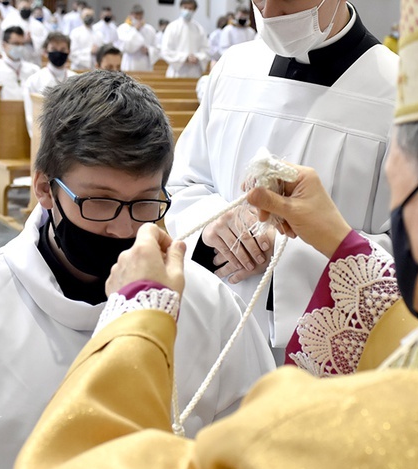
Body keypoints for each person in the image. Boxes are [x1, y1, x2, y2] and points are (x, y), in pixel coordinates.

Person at [10, 0, 418, 469]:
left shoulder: (333, 435)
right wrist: (240, 232)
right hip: (217, 306)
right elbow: (186, 186)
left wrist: (139, 311)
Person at [0, 70, 274, 469]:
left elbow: (254, 448)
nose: (124, 227)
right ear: (45, 188)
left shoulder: (210, 303)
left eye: (145, 202)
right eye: (100, 201)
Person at [166, 0, 397, 365]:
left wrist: (284, 255)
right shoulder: (231, 68)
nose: (270, 12)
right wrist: (211, 224)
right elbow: (183, 184)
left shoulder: (398, 94)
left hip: (321, 369)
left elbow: (409, 252)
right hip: (210, 337)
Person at [22, 31, 74, 137]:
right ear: (45, 51)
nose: (58, 53)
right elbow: (31, 118)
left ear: (69, 51)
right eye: (54, 49)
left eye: (63, 49)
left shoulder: (77, 79)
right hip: (45, 141)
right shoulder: (34, 81)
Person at [0, 25, 38, 103]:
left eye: (22, 44)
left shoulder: (34, 70)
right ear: (4, 45)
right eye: (16, 44)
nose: (20, 47)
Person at [159, 0, 210, 79]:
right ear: (180, 8)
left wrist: (197, 57)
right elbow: (165, 51)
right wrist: (185, 58)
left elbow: (206, 50)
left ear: (194, 10)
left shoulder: (199, 29)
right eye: (185, 8)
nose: (187, 11)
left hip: (194, 72)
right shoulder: (172, 27)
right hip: (177, 72)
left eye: (190, 8)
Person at [2, 0, 46, 66]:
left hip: (32, 62)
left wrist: (31, 40)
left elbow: (43, 42)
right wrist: (21, 40)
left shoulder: (38, 25)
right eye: (24, 8)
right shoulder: (10, 20)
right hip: (13, 61)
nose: (26, 10)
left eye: (28, 8)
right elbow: (4, 38)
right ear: (18, 7)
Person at [116, 4, 156, 72]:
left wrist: (148, 50)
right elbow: (124, 47)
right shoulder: (123, 28)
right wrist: (135, 30)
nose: (138, 20)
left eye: (140, 18)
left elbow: (156, 47)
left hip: (145, 65)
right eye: (136, 18)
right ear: (130, 16)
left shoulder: (150, 29)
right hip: (129, 64)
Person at [68, 6, 101, 71]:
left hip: (94, 70)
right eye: (87, 15)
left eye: (91, 15)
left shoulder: (99, 34)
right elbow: (72, 54)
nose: (89, 17)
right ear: (81, 17)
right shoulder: (75, 33)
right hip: (78, 69)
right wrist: (89, 51)